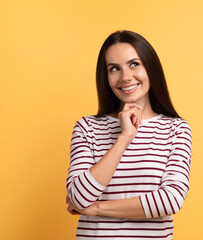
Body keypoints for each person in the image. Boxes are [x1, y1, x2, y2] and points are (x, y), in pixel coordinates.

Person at [66, 30, 192, 240]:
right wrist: (123, 138)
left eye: (134, 64)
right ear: (105, 77)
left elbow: (170, 200)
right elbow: (78, 198)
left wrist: (96, 208)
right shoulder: (87, 128)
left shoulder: (176, 129)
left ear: (150, 68)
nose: (125, 77)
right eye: (114, 68)